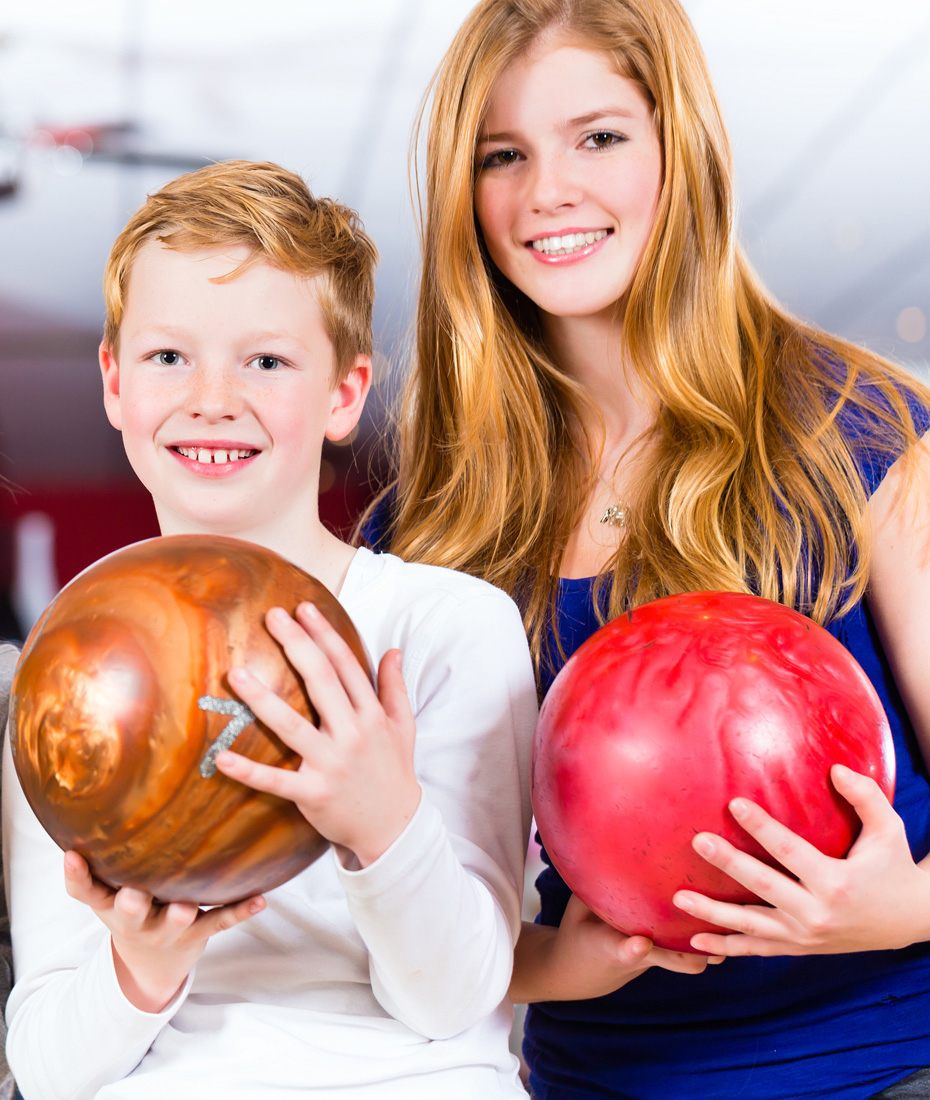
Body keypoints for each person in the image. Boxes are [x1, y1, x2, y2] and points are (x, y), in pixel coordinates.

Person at [361, 1, 930, 1098]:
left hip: (886, 1065)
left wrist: (894, 904)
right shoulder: (428, 523)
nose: (547, 192)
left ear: (682, 150)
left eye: (600, 137)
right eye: (503, 155)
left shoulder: (868, 431)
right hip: (591, 1080)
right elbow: (409, 907)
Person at [1, 160, 538, 1099]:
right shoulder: (74, 655)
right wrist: (140, 965)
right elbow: (45, 1067)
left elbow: (458, 1001)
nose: (213, 398)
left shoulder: (447, 627)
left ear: (344, 395)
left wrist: (383, 823)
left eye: (267, 360)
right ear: (114, 382)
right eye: (170, 357)